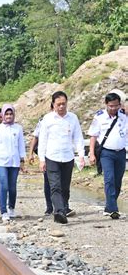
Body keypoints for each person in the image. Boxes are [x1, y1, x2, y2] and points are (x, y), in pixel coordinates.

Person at [38, 91, 85, 224]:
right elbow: (43, 140)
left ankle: (63, 208)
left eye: (63, 104)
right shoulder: (47, 119)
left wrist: (81, 155)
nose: (61, 107)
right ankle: (58, 212)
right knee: (55, 186)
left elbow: (78, 138)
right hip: (52, 157)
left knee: (65, 187)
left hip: (67, 157)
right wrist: (42, 159)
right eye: (58, 104)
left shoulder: (73, 118)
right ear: (53, 104)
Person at [88, 92, 127, 220]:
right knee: (109, 179)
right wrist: (92, 153)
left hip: (121, 152)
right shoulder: (99, 117)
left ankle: (109, 207)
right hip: (106, 153)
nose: (113, 108)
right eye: (111, 106)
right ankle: (114, 209)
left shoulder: (123, 116)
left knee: (117, 182)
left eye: (116, 106)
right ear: (106, 105)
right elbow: (93, 136)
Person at [0, 104, 26, 221]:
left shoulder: (18, 128)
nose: (9, 116)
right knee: (4, 185)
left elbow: (21, 146)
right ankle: (3, 211)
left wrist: (22, 161)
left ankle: (11, 208)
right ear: (3, 115)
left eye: (11, 114)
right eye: (7, 114)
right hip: (0, 161)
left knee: (12, 187)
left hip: (14, 162)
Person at [28, 105, 54, 216]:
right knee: (48, 181)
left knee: (61, 182)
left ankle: (62, 205)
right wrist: (30, 154)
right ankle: (49, 207)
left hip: (61, 155)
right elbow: (36, 137)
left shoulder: (67, 118)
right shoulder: (43, 121)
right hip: (46, 154)